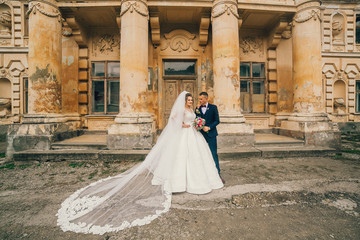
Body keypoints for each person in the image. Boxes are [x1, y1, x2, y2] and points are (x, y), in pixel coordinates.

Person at [56, 91, 223, 235]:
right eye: (189, 100)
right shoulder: (181, 109)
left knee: (196, 158)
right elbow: (173, 119)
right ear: (184, 100)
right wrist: (184, 125)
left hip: (194, 136)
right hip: (185, 134)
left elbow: (197, 119)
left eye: (192, 100)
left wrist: (196, 123)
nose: (191, 101)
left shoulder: (193, 110)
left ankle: (198, 180)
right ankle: (178, 183)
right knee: (181, 158)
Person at [195, 92, 224, 184]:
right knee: (202, 154)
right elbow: (196, 119)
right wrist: (199, 126)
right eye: (199, 99)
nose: (199, 100)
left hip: (211, 134)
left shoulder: (213, 107)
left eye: (201, 99)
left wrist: (209, 127)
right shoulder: (197, 108)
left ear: (206, 99)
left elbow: (217, 120)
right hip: (201, 135)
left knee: (213, 154)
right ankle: (203, 176)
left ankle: (218, 175)